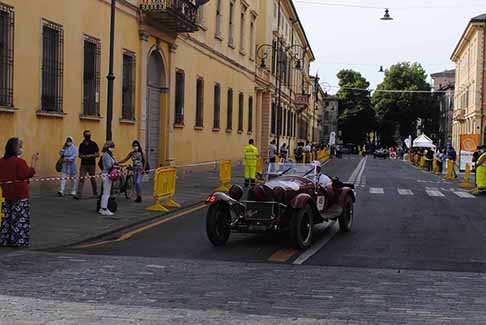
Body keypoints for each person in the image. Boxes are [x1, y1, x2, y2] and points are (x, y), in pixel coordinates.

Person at [0, 138, 38, 247]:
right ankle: (18, 240)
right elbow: (26, 173)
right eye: (20, 146)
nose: (21, 149)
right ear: (15, 148)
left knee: (6, 218)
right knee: (19, 219)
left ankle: (4, 239)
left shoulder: (1, 161)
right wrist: (33, 162)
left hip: (5, 193)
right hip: (19, 194)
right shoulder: (19, 161)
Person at [75, 130, 100, 199]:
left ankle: (95, 193)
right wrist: (83, 156)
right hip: (83, 164)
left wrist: (89, 156)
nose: (88, 136)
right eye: (87, 135)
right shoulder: (81, 145)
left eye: (89, 135)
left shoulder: (93, 144)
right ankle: (79, 194)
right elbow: (79, 155)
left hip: (92, 164)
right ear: (84, 136)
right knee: (81, 178)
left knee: (93, 179)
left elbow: (98, 154)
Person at [99, 141, 116, 216]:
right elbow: (109, 165)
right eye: (111, 146)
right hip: (107, 174)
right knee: (106, 193)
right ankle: (104, 209)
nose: (112, 148)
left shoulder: (107, 154)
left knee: (105, 193)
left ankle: (102, 208)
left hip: (106, 174)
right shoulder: (106, 155)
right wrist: (114, 165)